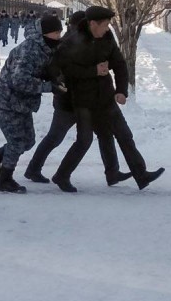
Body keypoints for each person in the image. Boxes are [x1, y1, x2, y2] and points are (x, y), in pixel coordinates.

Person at [51, 6, 164, 192]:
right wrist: (92, 71)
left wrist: (121, 90)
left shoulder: (107, 38)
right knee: (84, 140)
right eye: (104, 25)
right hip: (83, 101)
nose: (106, 29)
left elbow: (119, 64)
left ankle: (140, 174)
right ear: (92, 24)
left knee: (124, 135)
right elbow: (62, 70)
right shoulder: (72, 41)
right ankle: (61, 175)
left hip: (105, 97)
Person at [23, 11, 131, 187]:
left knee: (104, 134)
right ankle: (36, 169)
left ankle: (112, 172)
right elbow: (63, 72)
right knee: (56, 137)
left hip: (86, 101)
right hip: (68, 103)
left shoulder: (85, 41)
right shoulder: (68, 43)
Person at [0, 15, 65, 193]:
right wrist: (49, 87)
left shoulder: (46, 48)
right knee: (17, 141)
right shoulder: (30, 49)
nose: (59, 36)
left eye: (60, 32)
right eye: (55, 32)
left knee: (28, 141)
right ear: (45, 33)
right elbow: (18, 80)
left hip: (21, 103)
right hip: (6, 100)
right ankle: (5, 179)